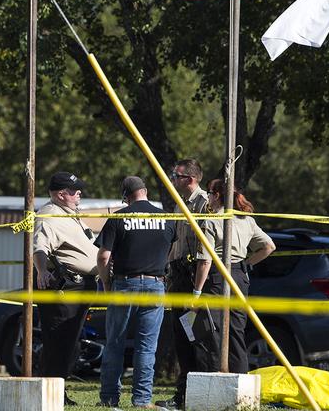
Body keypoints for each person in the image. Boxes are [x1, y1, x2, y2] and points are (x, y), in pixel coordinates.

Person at [96, 176, 175, 409]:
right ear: (146, 192)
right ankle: (141, 400)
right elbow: (172, 249)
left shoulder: (118, 218)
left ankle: (109, 399)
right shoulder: (166, 218)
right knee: (147, 347)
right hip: (155, 284)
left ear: (125, 196)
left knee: (115, 343)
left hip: (124, 284)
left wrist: (107, 283)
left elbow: (103, 257)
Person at [193, 178, 276, 373]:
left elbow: (205, 261)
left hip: (216, 277)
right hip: (240, 277)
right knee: (237, 333)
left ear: (217, 195)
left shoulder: (211, 221)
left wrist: (196, 293)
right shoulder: (247, 219)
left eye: (210, 193)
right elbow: (269, 247)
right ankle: (240, 381)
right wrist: (246, 264)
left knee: (210, 332)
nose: (208, 198)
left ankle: (212, 382)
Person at [33, 171, 99, 406]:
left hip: (80, 287)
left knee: (70, 343)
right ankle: (48, 394)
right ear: (61, 194)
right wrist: (41, 271)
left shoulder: (71, 214)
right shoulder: (50, 215)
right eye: (73, 190)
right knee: (59, 342)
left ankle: (56, 391)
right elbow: (39, 247)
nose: (78, 192)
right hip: (65, 288)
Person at [156, 159, 208, 410]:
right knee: (181, 337)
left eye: (175, 176)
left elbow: (206, 248)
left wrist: (198, 288)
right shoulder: (180, 205)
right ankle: (182, 395)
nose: (172, 180)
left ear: (190, 179)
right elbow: (176, 243)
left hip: (194, 278)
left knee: (196, 338)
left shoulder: (204, 203)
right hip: (178, 275)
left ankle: (194, 395)